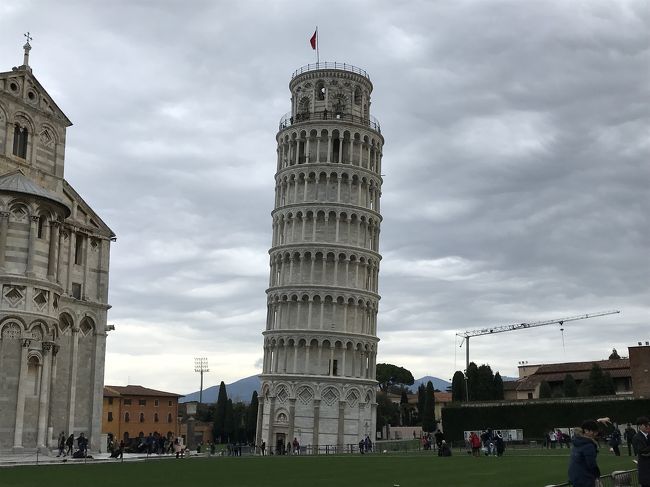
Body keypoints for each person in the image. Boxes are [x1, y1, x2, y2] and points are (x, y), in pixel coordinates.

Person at [568, 420, 601, 487]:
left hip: (574, 477)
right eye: (594, 432)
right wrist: (597, 476)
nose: (595, 434)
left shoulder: (577, 441)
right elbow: (591, 464)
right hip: (585, 479)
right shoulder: (588, 445)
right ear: (586, 431)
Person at [632, 416, 650, 487]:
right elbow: (643, 452)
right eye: (646, 425)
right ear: (640, 426)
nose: (648, 426)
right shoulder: (636, 438)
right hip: (645, 471)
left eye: (648, 424)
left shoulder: (648, 436)